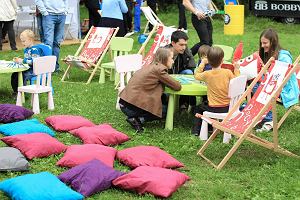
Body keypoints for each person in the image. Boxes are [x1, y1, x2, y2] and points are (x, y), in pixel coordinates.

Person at [119, 48, 182, 133]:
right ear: (164, 59)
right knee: (166, 110)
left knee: (164, 100)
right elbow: (177, 86)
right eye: (171, 58)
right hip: (131, 107)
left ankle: (136, 117)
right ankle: (138, 119)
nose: (173, 61)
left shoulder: (152, 66)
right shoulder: (159, 70)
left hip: (125, 102)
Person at [255, 28, 299, 132]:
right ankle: (257, 115)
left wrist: (264, 77)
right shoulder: (268, 55)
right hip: (275, 88)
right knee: (252, 83)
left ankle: (269, 119)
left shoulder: (283, 57)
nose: (262, 46)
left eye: (265, 43)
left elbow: (281, 79)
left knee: (257, 87)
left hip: (286, 90)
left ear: (273, 42)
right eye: (261, 43)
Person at [192, 46, 240, 135]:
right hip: (228, 107)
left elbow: (196, 75)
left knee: (197, 108)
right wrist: (236, 69)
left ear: (208, 61)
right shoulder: (228, 72)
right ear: (222, 60)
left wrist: (202, 63)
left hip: (213, 108)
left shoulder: (207, 74)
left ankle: (196, 131)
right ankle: (212, 127)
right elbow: (237, 81)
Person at [165, 30, 196, 110]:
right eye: (181, 45)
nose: (184, 47)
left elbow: (192, 66)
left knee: (189, 72)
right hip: (165, 77)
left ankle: (184, 104)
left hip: (180, 75)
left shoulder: (186, 51)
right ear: (173, 43)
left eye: (185, 45)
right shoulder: (164, 52)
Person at [35, 0, 68, 72]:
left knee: (57, 43)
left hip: (62, 15)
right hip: (49, 15)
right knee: (48, 43)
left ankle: (55, 67)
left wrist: (65, 11)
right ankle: (47, 68)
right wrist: (45, 13)